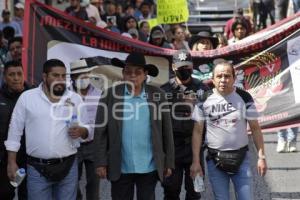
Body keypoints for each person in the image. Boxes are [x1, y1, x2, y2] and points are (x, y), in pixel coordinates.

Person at [5, 59, 91, 200]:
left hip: (68, 167)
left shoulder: (75, 99)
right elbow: (14, 131)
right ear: (44, 77)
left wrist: (82, 131)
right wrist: (11, 162)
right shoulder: (27, 98)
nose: (60, 80)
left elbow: (88, 128)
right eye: (55, 76)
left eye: (63, 76)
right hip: (36, 169)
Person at [94, 52, 175, 200]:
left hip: (149, 165)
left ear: (145, 74)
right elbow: (100, 131)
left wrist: (168, 162)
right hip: (120, 165)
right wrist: (100, 162)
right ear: (123, 74)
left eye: (137, 72)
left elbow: (166, 131)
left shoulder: (158, 95)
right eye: (128, 72)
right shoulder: (110, 95)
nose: (133, 76)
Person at [190, 62, 267, 200]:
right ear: (212, 79)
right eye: (219, 76)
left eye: (227, 76)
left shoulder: (244, 97)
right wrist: (196, 161)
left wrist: (261, 156)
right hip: (214, 160)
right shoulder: (203, 99)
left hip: (241, 158)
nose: (223, 80)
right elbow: (197, 131)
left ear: (234, 78)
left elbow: (255, 128)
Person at [161, 50, 209, 200]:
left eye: (187, 66)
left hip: (194, 148)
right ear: (173, 67)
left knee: (194, 192)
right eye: (180, 66)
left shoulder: (203, 89)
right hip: (171, 148)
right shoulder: (164, 90)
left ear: (192, 66)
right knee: (170, 191)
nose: (184, 70)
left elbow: (210, 117)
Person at [69, 59, 101, 200]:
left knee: (94, 183)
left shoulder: (99, 94)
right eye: (79, 75)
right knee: (71, 183)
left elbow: (102, 120)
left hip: (93, 144)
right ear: (73, 78)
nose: (83, 77)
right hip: (72, 146)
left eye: (86, 74)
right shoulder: (65, 95)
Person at [0, 61, 29, 200]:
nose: (16, 78)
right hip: (4, 159)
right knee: (6, 194)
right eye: (11, 75)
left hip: (29, 159)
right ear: (4, 77)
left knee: (27, 195)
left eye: (19, 74)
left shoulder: (34, 96)